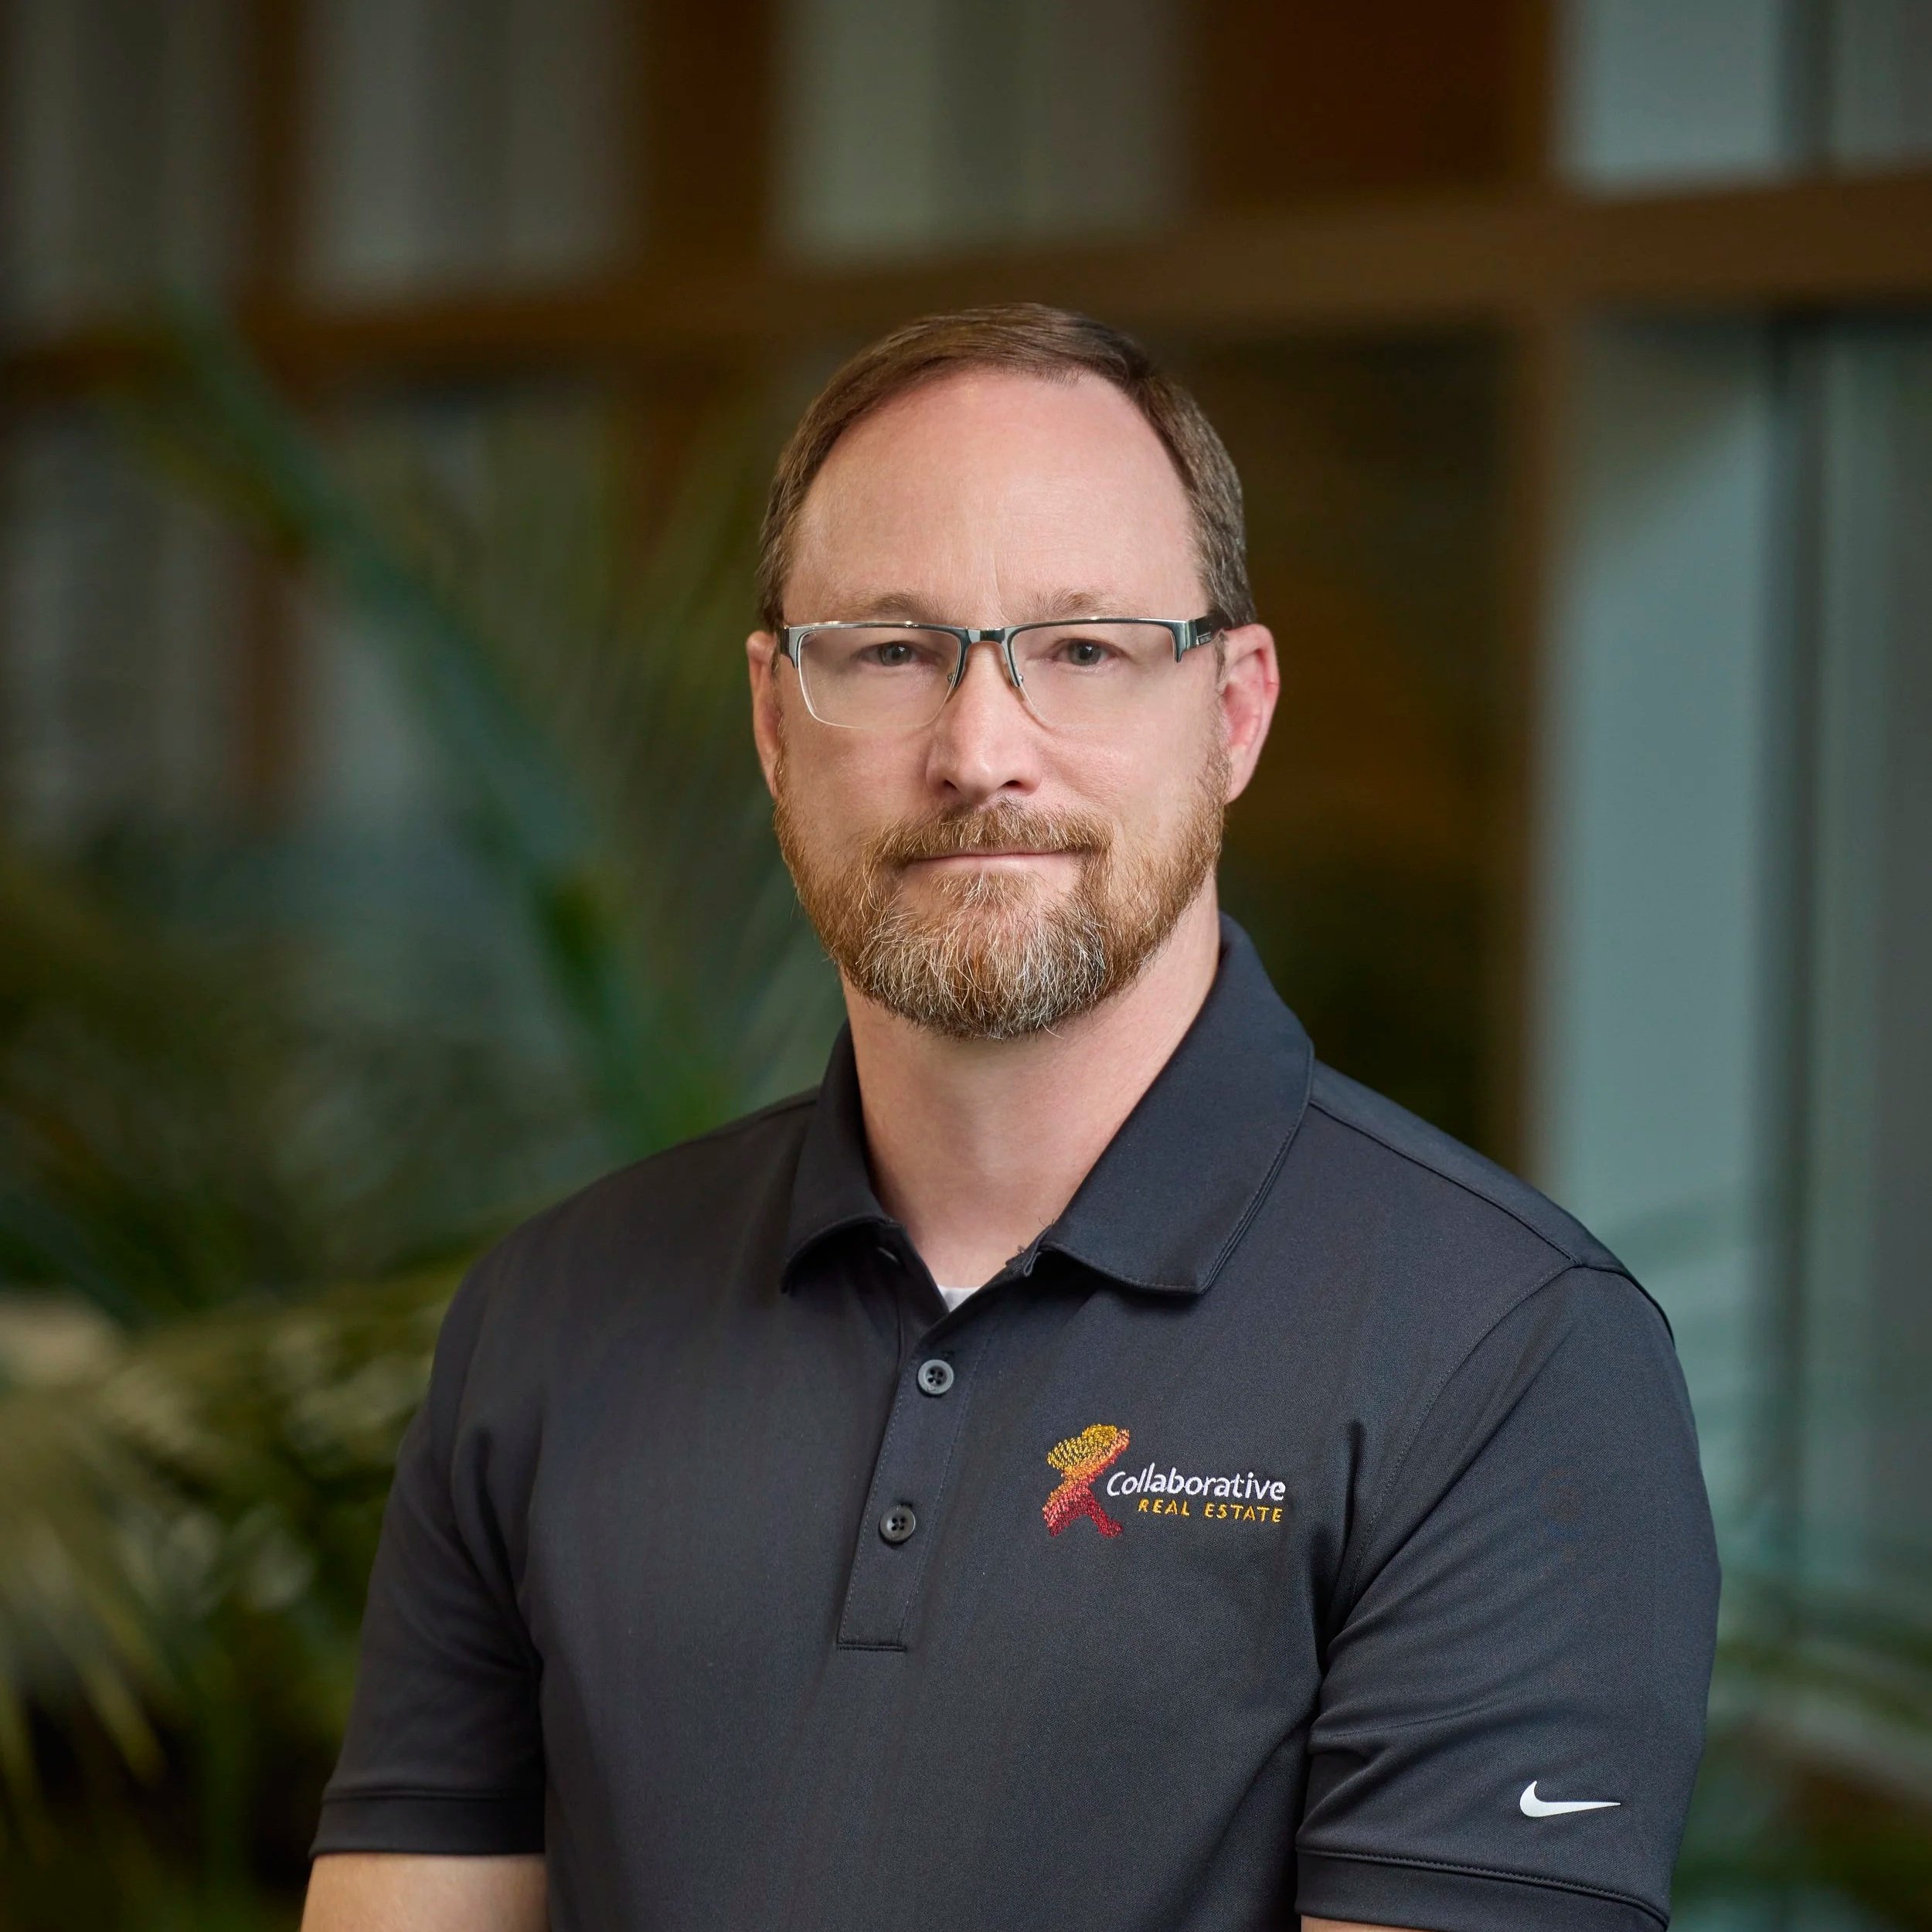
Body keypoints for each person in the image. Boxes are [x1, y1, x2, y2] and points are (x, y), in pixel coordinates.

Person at [301, 304, 1718, 1932]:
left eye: (1084, 649)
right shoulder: (549, 1318)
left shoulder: (1508, 1356)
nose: (980, 752)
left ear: (1235, 711)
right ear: (772, 720)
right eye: (890, 652)